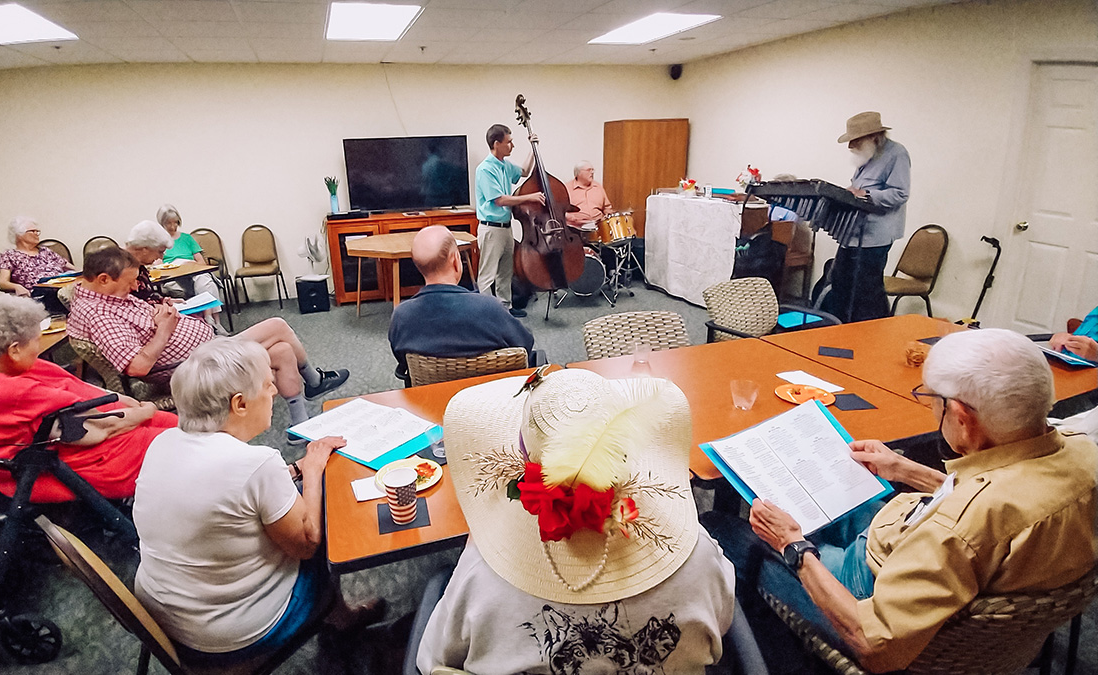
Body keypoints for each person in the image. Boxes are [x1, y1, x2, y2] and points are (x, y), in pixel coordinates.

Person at [702, 328, 1098, 674]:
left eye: (935, 403)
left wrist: (794, 546)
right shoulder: (1083, 457)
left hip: (870, 590)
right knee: (836, 485)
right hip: (917, 551)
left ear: (961, 417)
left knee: (721, 528)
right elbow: (993, 499)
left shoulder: (961, 528)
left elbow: (872, 644)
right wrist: (904, 469)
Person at [417, 369, 735, 674]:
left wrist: (484, 545)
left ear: (526, 460)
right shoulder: (698, 555)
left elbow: (435, 661)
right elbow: (721, 624)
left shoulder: (478, 579)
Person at [133, 338, 382, 660]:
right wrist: (314, 468)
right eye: (267, 385)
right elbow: (307, 544)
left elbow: (228, 493)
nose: (275, 391)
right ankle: (342, 619)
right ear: (240, 404)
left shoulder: (163, 442)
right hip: (232, 634)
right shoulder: (256, 463)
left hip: (165, 616)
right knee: (326, 530)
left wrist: (293, 470)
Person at [66, 246, 347, 425]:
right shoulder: (98, 315)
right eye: (129, 283)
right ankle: (314, 380)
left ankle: (298, 425)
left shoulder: (110, 298)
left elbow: (137, 321)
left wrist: (162, 309)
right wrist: (164, 330)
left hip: (206, 348)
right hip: (195, 365)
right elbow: (138, 367)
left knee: (283, 350)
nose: (133, 287)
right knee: (277, 325)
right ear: (103, 279)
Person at [0, 295, 176, 502]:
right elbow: (95, 431)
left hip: (75, 429)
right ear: (13, 349)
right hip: (72, 458)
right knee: (189, 445)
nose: (38, 349)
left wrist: (124, 401)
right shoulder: (10, 392)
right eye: (35, 341)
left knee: (180, 426)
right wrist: (146, 411)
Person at [388, 226, 538, 385]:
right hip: (493, 399)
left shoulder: (402, 316)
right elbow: (525, 345)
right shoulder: (490, 308)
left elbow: (402, 360)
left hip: (431, 401)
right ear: (455, 260)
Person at [821, 111, 911, 323]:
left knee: (866, 291)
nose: (851, 146)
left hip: (875, 235)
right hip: (852, 232)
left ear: (874, 137)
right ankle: (841, 328)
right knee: (840, 282)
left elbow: (900, 193)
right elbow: (858, 189)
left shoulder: (897, 154)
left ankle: (871, 333)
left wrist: (867, 195)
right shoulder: (868, 154)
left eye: (855, 140)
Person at [475, 123, 543, 318]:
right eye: (509, 142)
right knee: (487, 275)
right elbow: (499, 199)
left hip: (505, 227)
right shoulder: (485, 169)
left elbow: (524, 171)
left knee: (505, 271)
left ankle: (505, 308)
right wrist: (529, 198)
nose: (512, 145)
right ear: (497, 144)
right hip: (491, 229)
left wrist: (533, 148)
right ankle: (486, 313)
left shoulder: (504, 165)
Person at [156, 204, 223, 301]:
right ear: (162, 223)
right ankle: (206, 313)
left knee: (206, 281)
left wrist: (191, 264)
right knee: (186, 286)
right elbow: (159, 266)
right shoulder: (159, 242)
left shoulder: (187, 238)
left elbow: (201, 263)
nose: (173, 226)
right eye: (168, 223)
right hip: (174, 276)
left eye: (175, 222)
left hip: (192, 271)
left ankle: (210, 315)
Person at [0, 216, 75, 297]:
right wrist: (17, 287)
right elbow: (3, 282)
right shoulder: (9, 255)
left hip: (63, 288)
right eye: (33, 231)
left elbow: (72, 269)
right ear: (19, 235)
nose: (37, 234)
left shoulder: (45, 251)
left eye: (37, 231)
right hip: (39, 295)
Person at [564, 161, 613, 227]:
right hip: (577, 228)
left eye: (592, 170)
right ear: (578, 173)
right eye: (589, 170)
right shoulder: (567, 189)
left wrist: (609, 217)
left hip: (598, 226)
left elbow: (607, 208)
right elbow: (560, 210)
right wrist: (571, 217)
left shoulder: (598, 187)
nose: (592, 172)